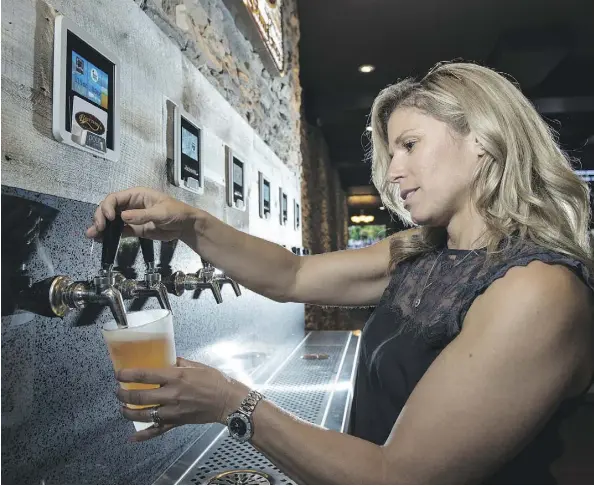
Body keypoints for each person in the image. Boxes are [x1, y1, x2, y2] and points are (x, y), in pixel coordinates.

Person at [86, 61, 594, 484]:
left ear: (482, 138)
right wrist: (189, 222)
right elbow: (292, 276)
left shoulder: (538, 290)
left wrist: (231, 402)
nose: (393, 172)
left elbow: (398, 478)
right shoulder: (421, 252)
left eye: (409, 145)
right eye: (391, 152)